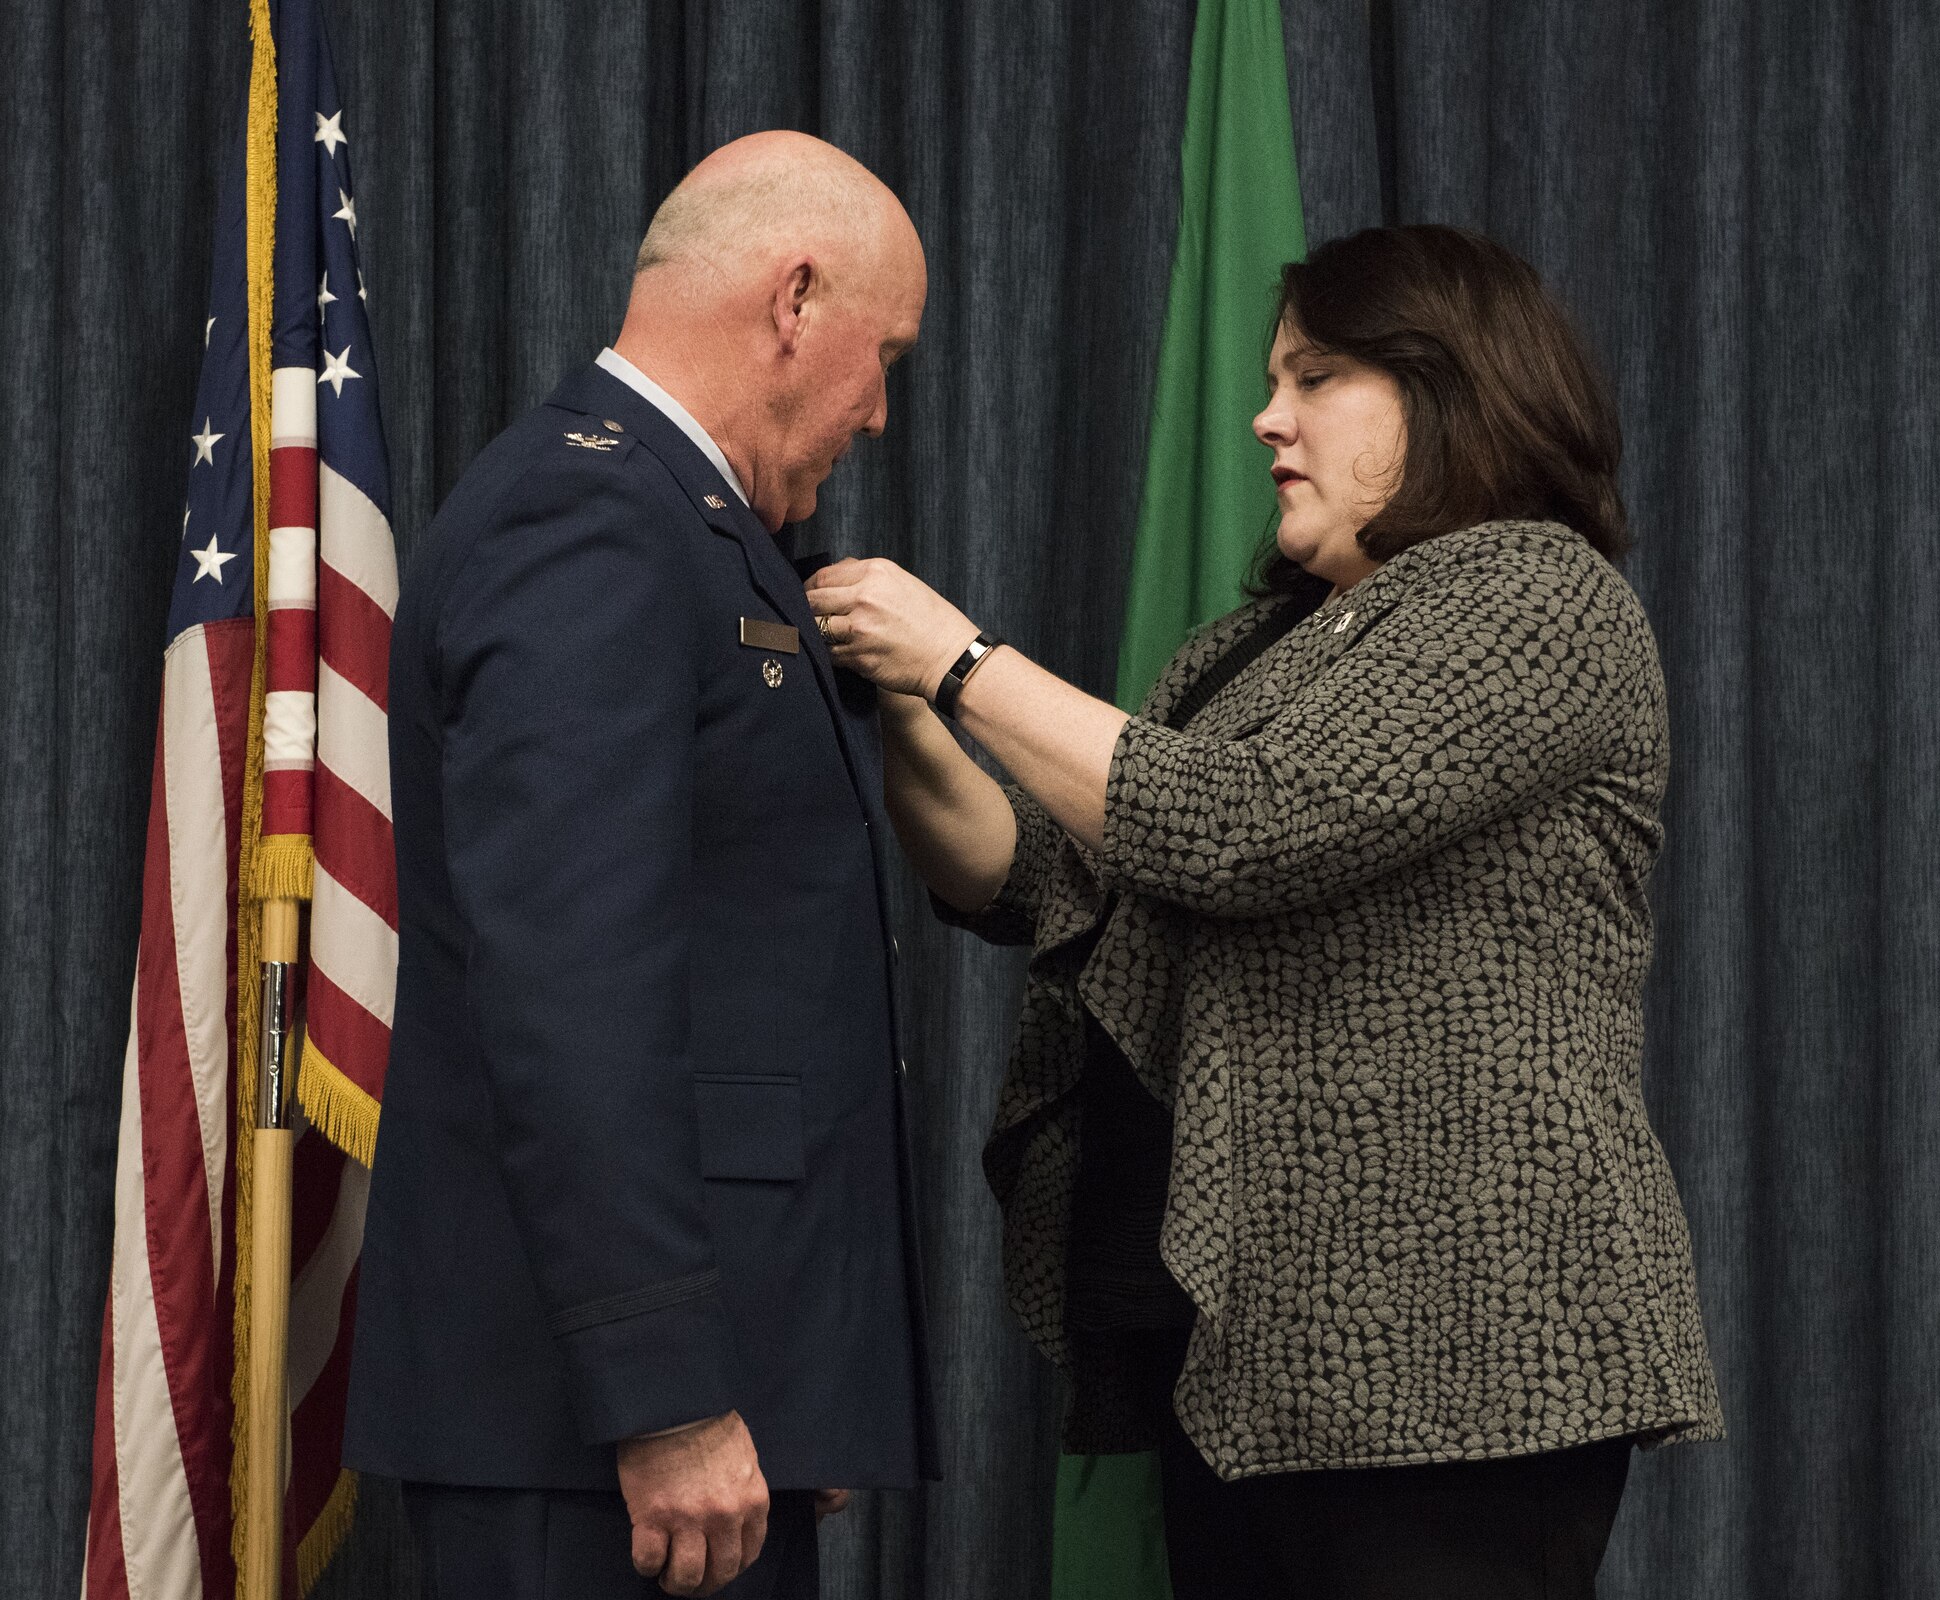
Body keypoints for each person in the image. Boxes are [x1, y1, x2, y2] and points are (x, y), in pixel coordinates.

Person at [805, 224, 1723, 1599]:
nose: (1264, 418)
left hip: (1463, 1354)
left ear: (1445, 387)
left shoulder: (1537, 590)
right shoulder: (1249, 647)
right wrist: (908, 706)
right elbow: (1038, 876)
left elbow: (1245, 827)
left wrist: (963, 658)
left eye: (1314, 377)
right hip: (1252, 1361)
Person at [345, 131, 938, 1600]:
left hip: (696, 1414)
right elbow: (570, 989)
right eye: (887, 355)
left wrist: (806, 1383)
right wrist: (665, 1391)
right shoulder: (594, 518)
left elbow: (747, 988)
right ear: (794, 301)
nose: (878, 415)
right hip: (596, 1439)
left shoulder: (678, 521)